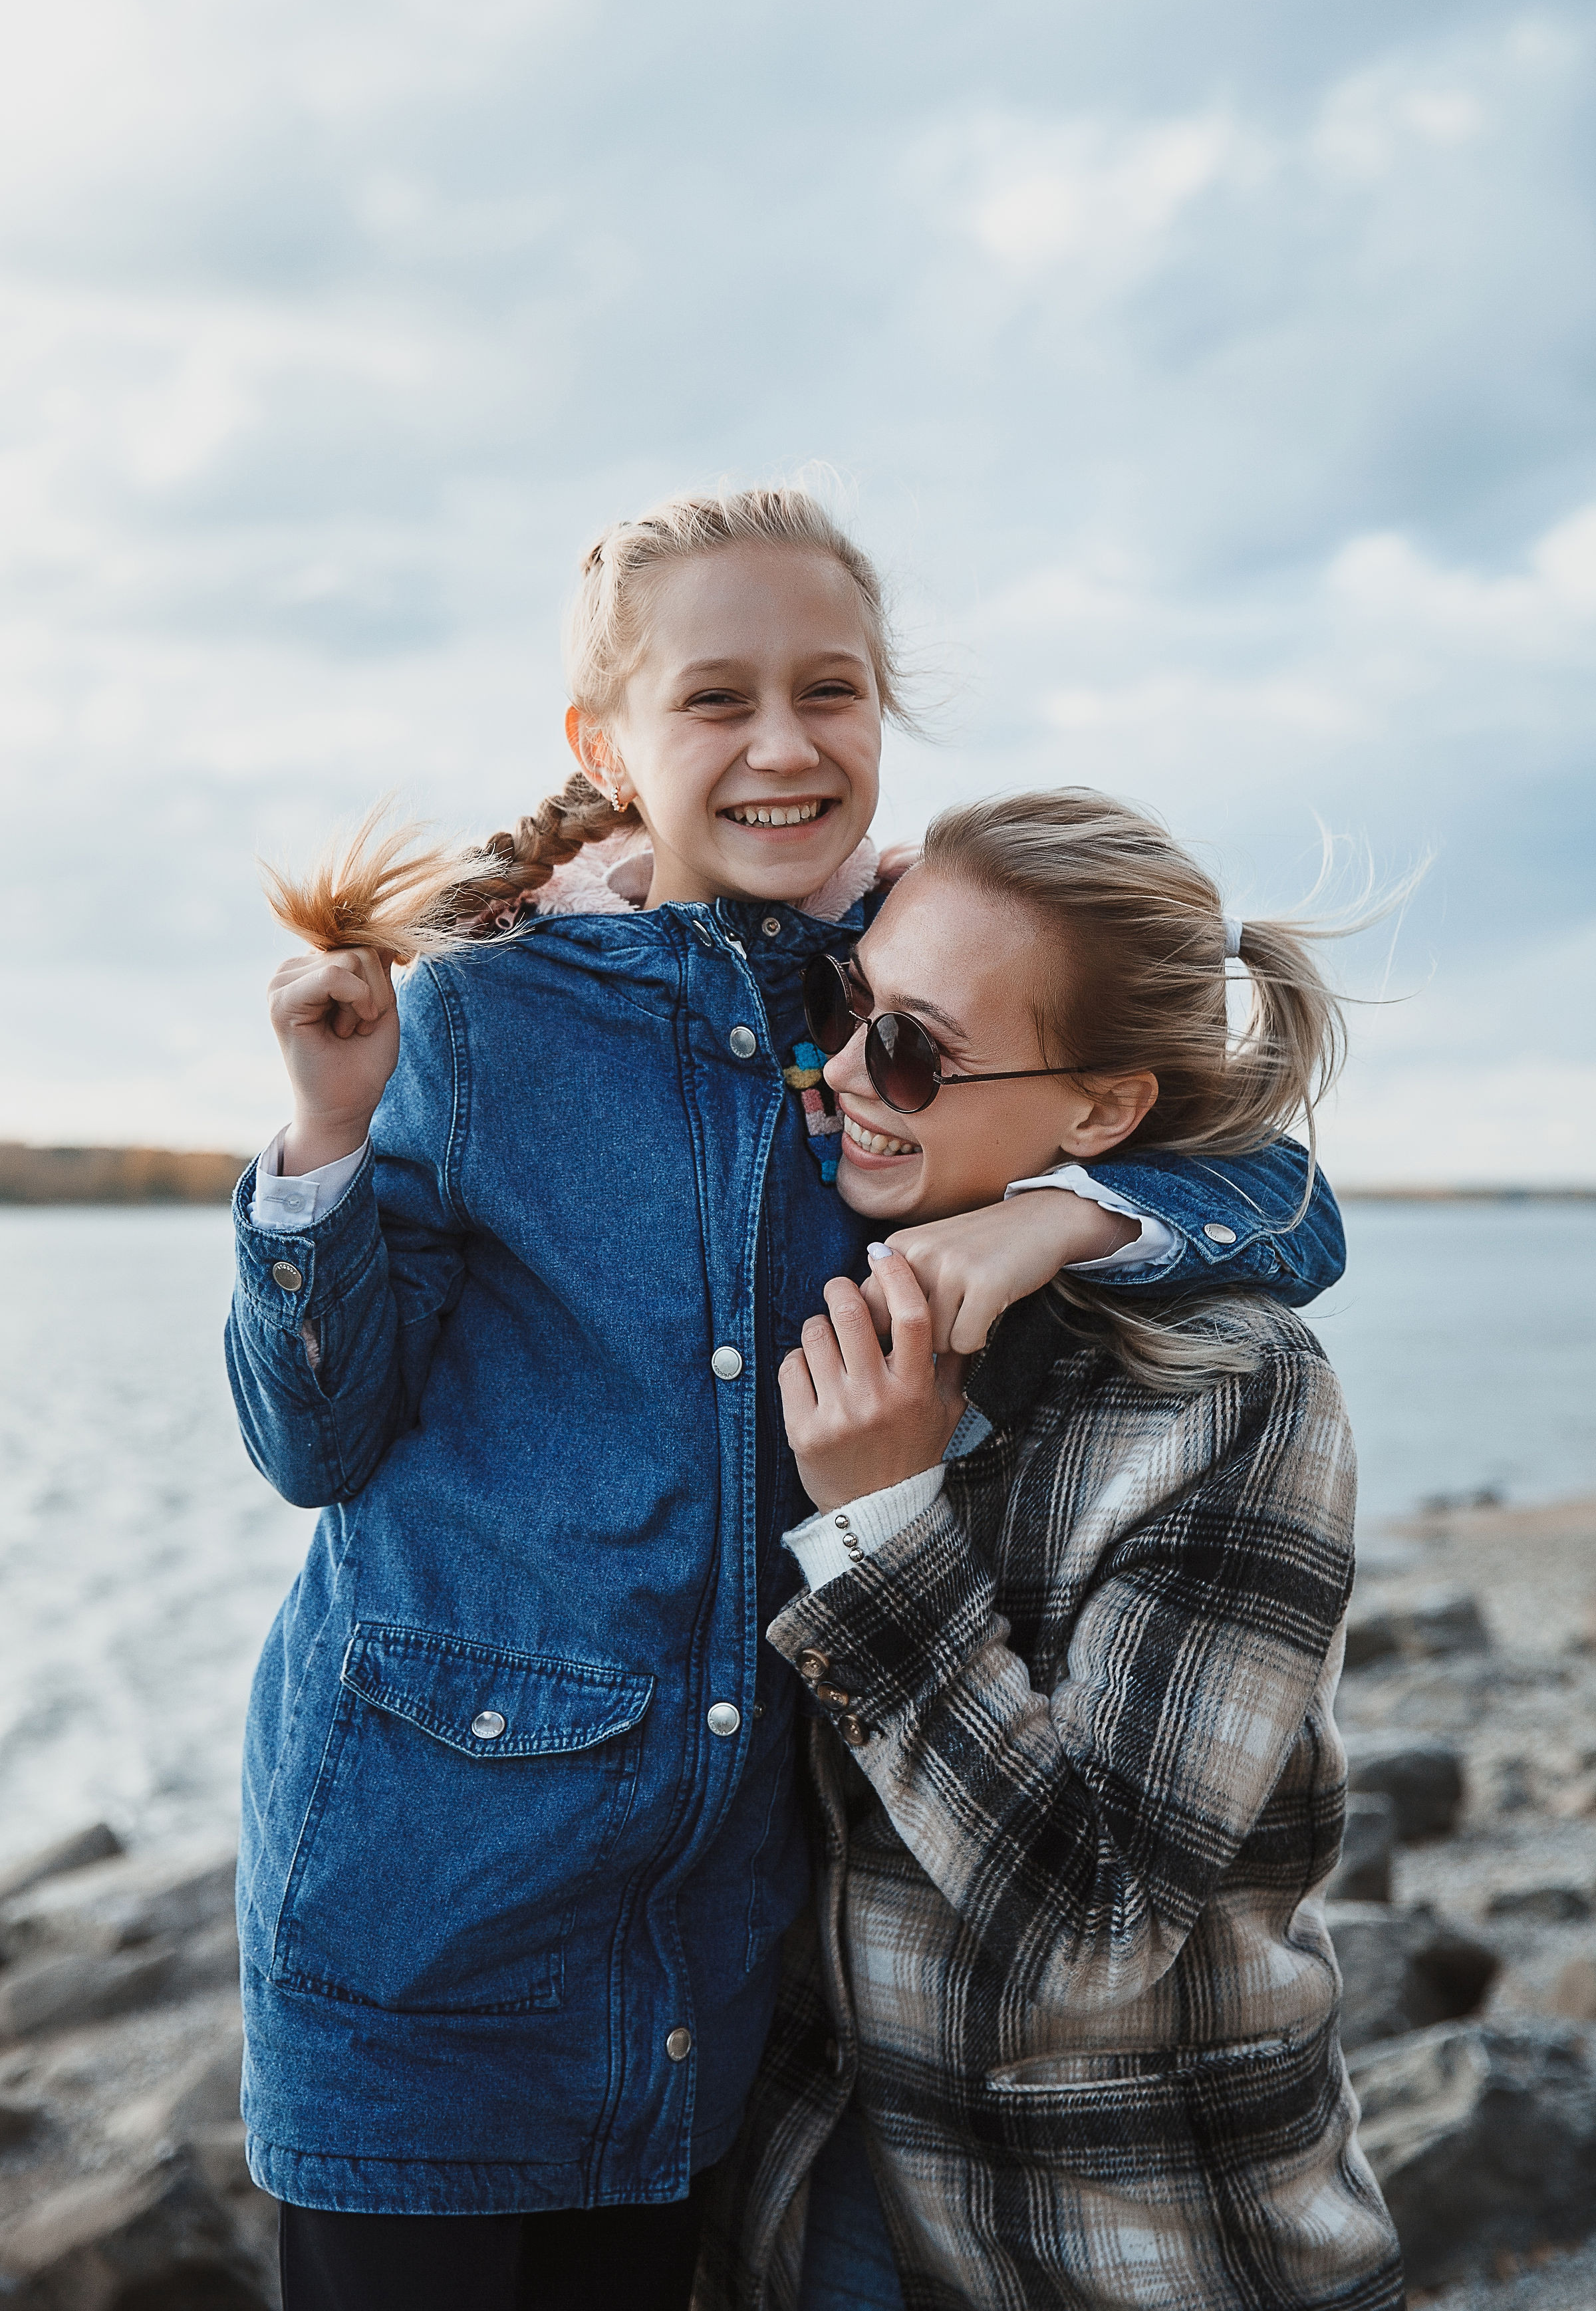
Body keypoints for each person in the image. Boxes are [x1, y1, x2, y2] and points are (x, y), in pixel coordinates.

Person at [224, 491, 1347, 2311]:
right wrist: (327, 1137)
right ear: (605, 745)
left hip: (714, 1952)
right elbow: (312, 1441)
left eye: (831, 689)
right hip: (422, 1927)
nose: (783, 744)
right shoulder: (480, 1016)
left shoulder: (893, 979)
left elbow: (1282, 1194)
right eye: (715, 698)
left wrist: (1059, 1217)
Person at [698, 787, 1404, 2311]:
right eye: (842, 1001)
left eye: (913, 1048)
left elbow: (1097, 1926)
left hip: (1134, 2244)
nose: (838, 1069)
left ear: (1101, 1113)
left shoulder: (1236, 1393)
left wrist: (880, 1525)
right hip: (828, 2199)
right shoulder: (825, 1248)